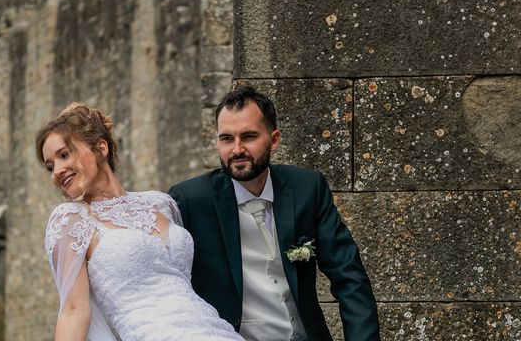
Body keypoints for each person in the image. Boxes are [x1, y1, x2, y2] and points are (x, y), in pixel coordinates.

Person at [168, 85, 380, 341]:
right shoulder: (189, 201)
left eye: (248, 136)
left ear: (274, 139)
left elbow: (349, 277)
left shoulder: (307, 189)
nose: (236, 149)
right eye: (226, 138)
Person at [38, 102, 244, 341]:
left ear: (101, 148)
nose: (57, 171)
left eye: (64, 155)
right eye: (50, 166)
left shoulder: (161, 203)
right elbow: (74, 310)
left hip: (215, 330)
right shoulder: (70, 220)